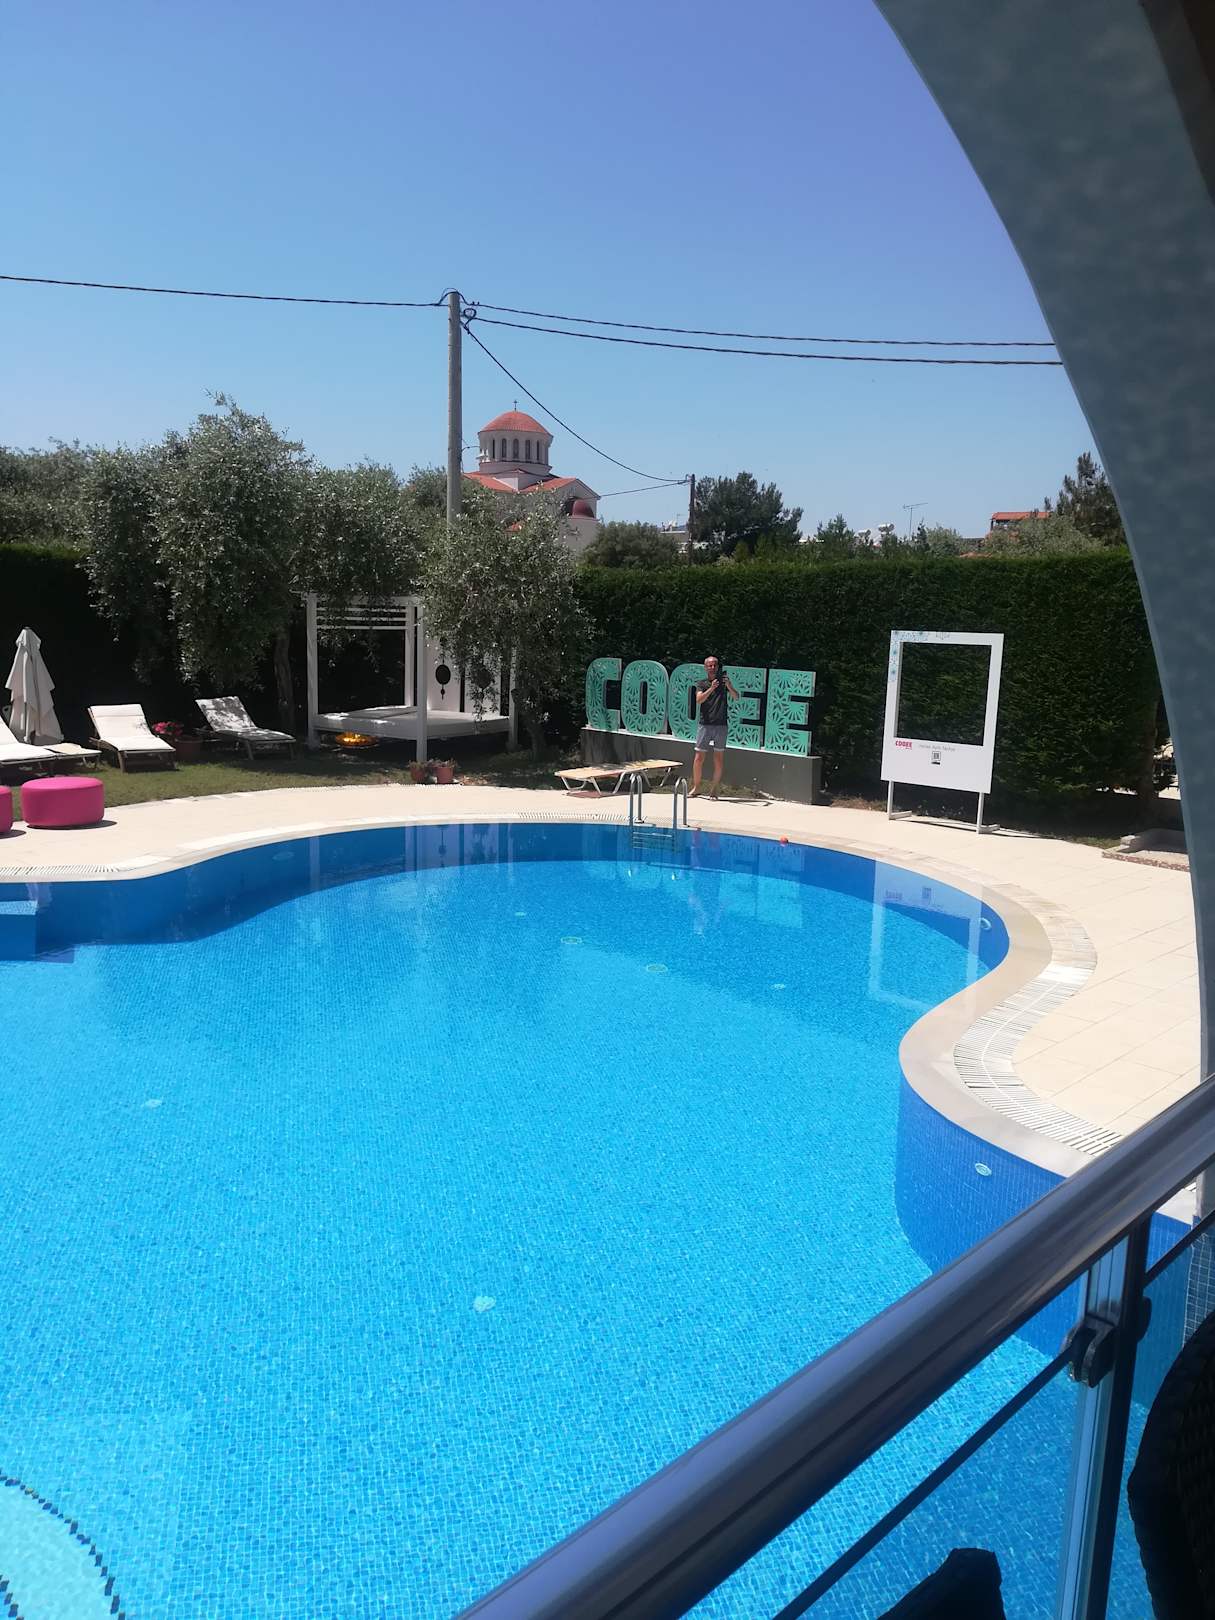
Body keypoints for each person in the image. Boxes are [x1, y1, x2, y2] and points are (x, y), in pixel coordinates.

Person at [691, 655, 737, 798]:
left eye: (715, 665)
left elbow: (736, 696)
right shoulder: (702, 683)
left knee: (718, 759)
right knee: (699, 758)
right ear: (705, 668)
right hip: (705, 725)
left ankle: (714, 789)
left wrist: (729, 686)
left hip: (721, 725)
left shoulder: (724, 683)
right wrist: (711, 688)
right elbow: (699, 700)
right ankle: (696, 787)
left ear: (718, 667)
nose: (712, 668)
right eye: (709, 665)